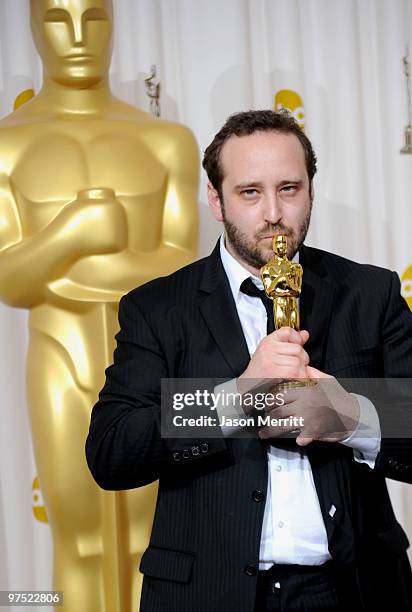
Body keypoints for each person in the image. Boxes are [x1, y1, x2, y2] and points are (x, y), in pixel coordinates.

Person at [86, 110, 412, 612]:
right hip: (209, 594)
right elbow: (111, 451)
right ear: (216, 200)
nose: (273, 213)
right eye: (250, 192)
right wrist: (236, 397)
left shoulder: (370, 292)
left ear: (311, 190)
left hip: (355, 590)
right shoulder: (156, 308)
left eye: (289, 188)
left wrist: (350, 418)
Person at [0, 1, 198, 610]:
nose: (78, 37)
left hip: (156, 364)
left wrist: (62, 268)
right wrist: (73, 234)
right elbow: (10, 278)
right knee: (79, 540)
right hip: (59, 356)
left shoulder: (165, 141)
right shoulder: (8, 146)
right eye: (57, 18)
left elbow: (183, 266)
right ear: (32, 26)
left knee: (153, 538)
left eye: (95, 17)